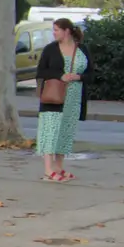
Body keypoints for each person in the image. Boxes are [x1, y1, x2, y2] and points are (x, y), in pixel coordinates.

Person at [35, 18, 91, 181]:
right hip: (54, 96)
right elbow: (41, 72)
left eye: (56, 30)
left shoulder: (82, 49)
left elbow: (91, 74)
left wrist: (79, 76)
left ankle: (58, 167)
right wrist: (61, 76)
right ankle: (48, 169)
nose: (54, 33)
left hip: (74, 98)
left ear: (67, 31)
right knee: (50, 131)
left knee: (65, 132)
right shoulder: (50, 49)